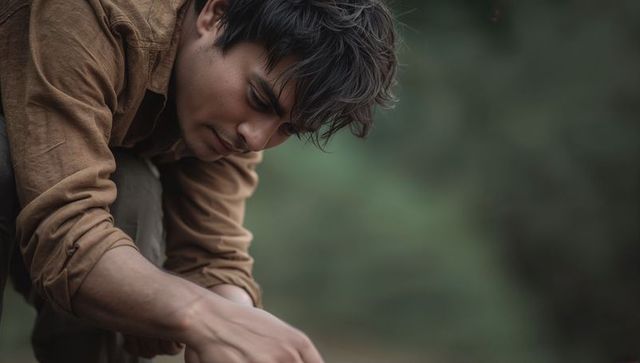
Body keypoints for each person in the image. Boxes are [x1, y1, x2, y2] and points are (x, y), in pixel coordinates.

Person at [0, 0, 397, 361]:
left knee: (130, 192)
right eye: (259, 99)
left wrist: (240, 326)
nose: (256, 139)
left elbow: (211, 253)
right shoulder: (98, 12)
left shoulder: (224, 115)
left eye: (287, 128)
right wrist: (195, 314)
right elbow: (64, 230)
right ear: (214, 15)